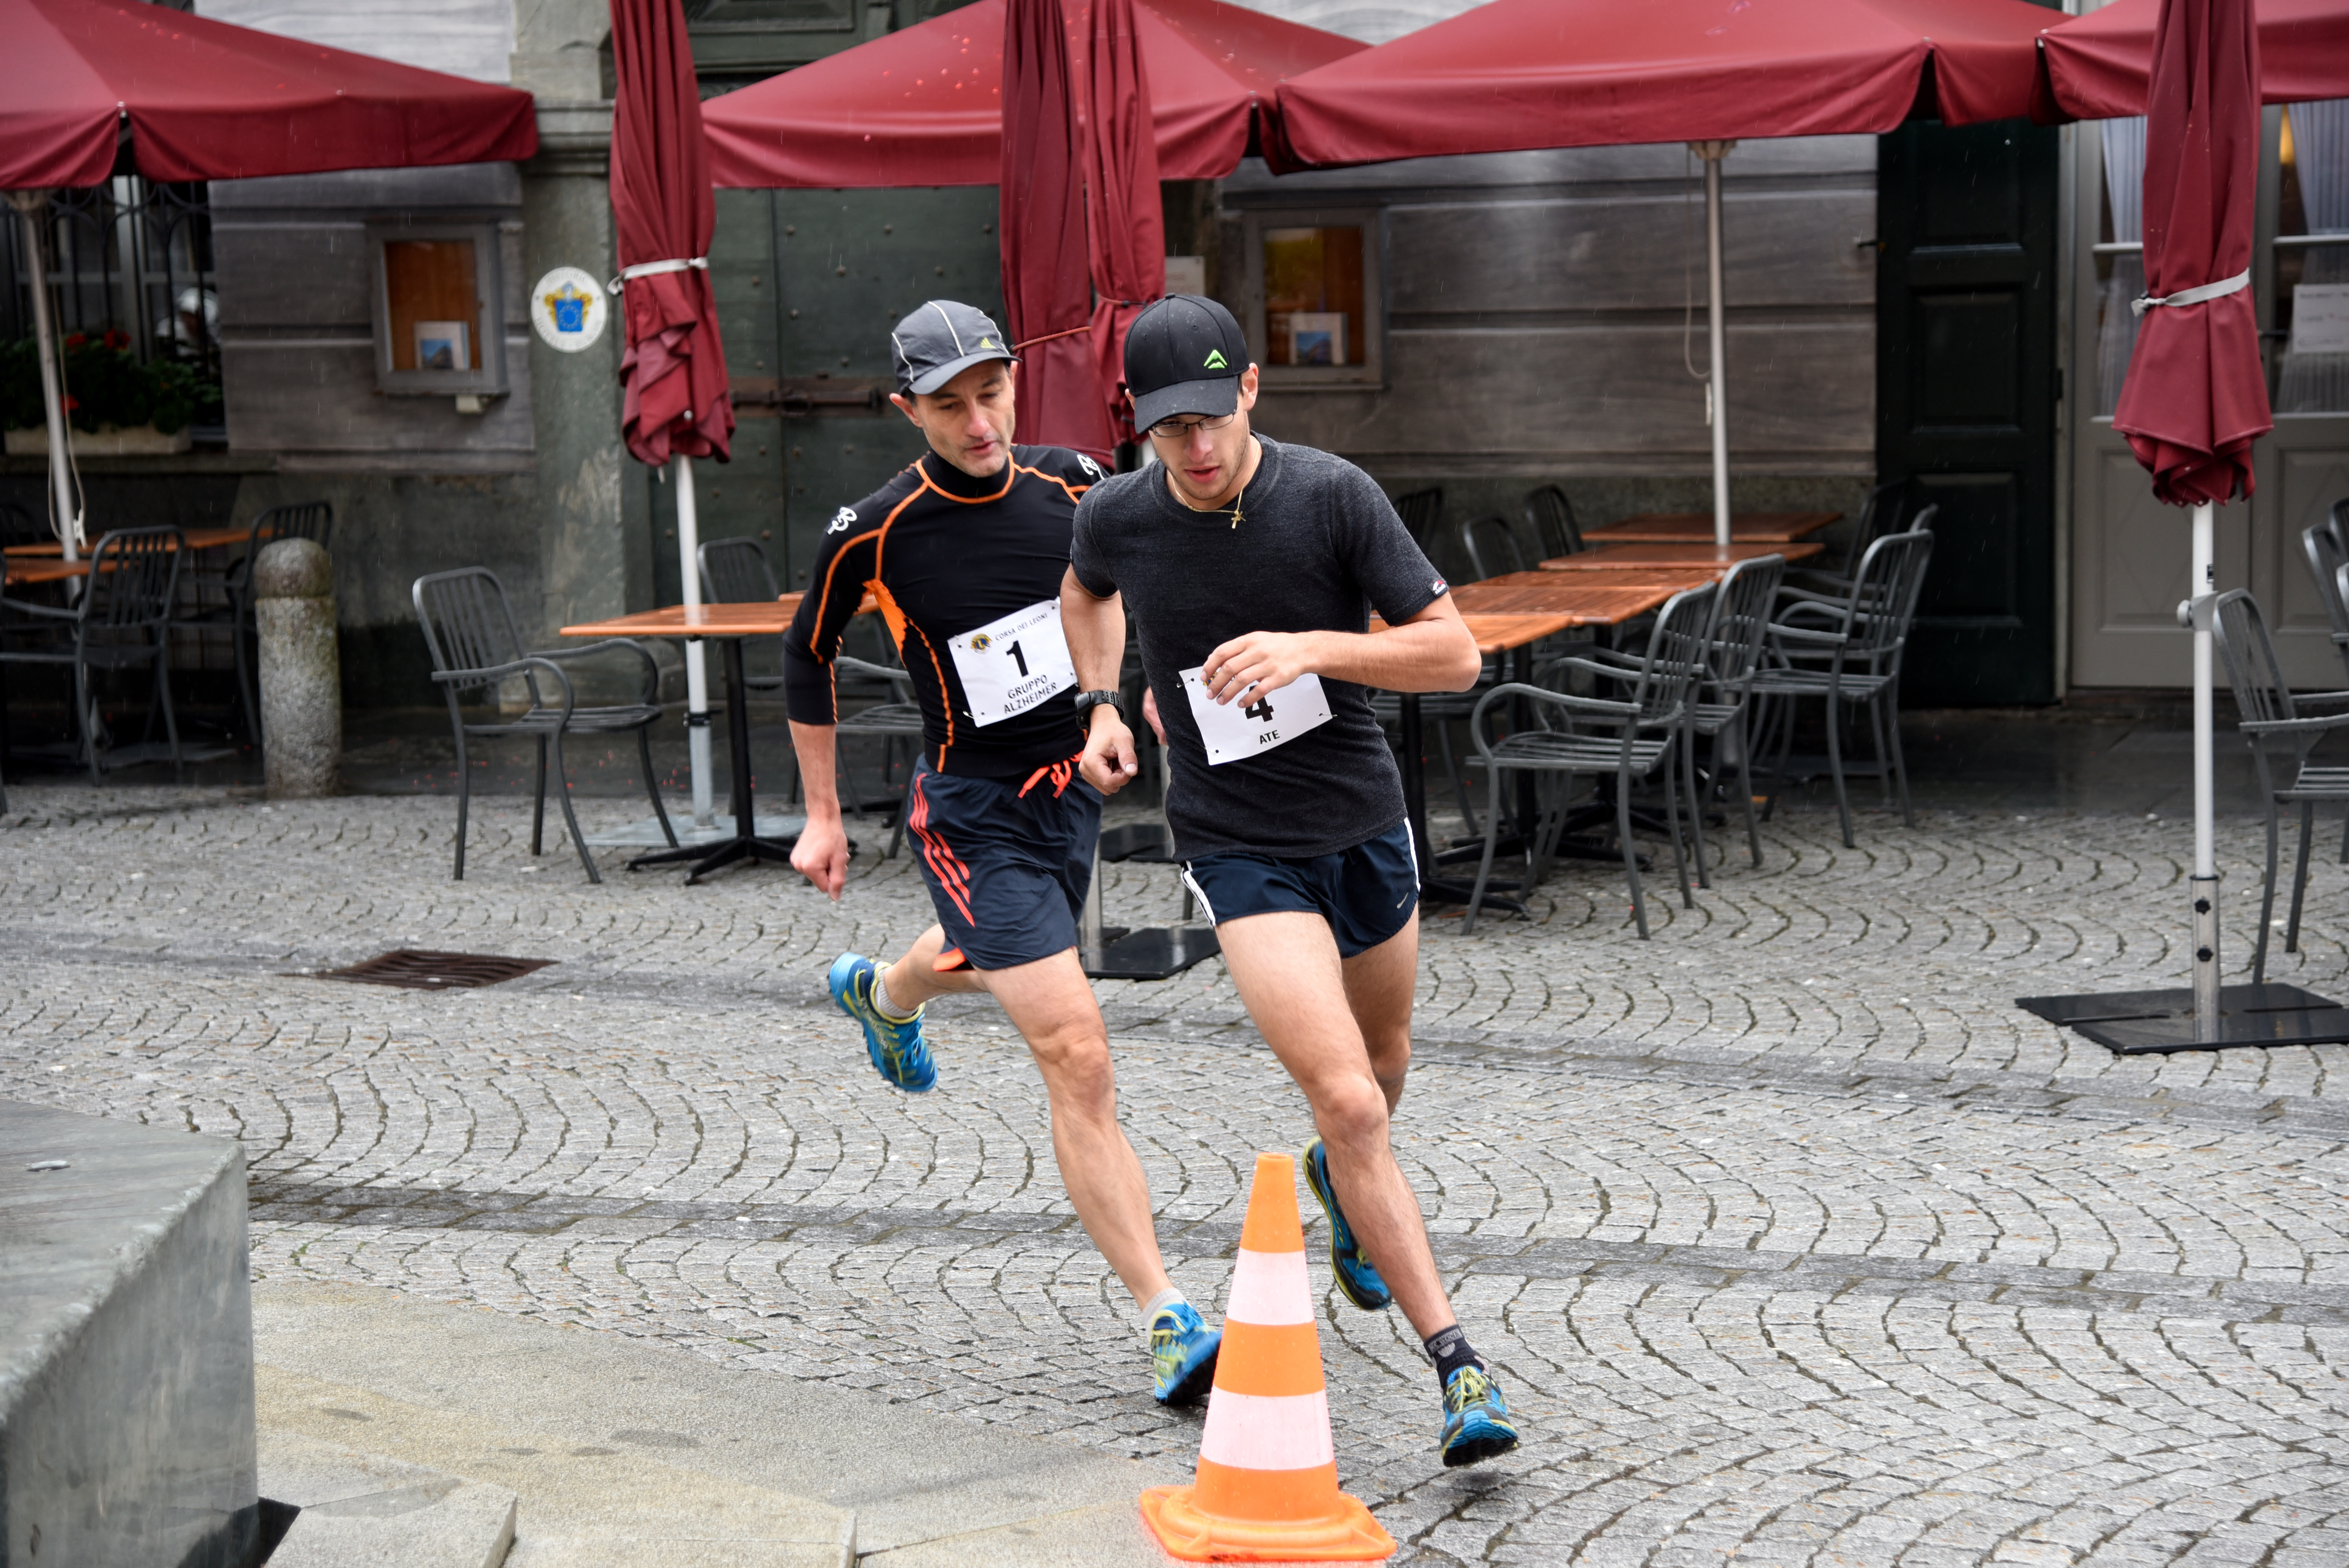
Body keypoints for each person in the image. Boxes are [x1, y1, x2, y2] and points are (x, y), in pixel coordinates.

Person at [1060, 294, 1522, 1467]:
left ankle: (1344, 1186)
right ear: (1139, 424)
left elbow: (1456, 655)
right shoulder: (1119, 514)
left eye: (1212, 418)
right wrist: (1102, 703)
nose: (1196, 448)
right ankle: (1459, 1367)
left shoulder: (1330, 496)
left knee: (1386, 1065)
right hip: (1236, 845)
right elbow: (1085, 589)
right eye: (1170, 428)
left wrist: (1312, 646)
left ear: (1251, 391)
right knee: (1352, 1101)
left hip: (1360, 823)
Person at [781, 300, 1220, 1406]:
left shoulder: (1075, 484)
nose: (979, 422)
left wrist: (1132, 696)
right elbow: (806, 657)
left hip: (1069, 795)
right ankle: (1165, 1314)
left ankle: (884, 996)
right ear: (908, 410)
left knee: (992, 961)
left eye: (992, 393)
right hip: (971, 813)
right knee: (1076, 1048)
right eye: (949, 406)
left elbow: (1132, 583)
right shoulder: (874, 531)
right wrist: (823, 814)